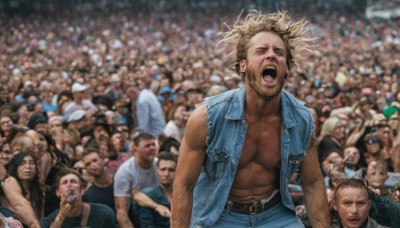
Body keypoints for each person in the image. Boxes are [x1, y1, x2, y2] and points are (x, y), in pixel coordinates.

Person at [172, 10, 329, 227]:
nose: (271, 55)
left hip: (275, 215)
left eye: (278, 52)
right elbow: (183, 186)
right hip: (219, 214)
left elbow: (312, 184)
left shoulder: (302, 120)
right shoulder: (207, 117)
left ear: (287, 67)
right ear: (243, 65)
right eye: (261, 50)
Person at [114, 131, 170, 228]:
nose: (152, 148)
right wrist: (155, 206)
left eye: (153, 144)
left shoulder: (160, 166)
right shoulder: (125, 172)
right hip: (136, 218)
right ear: (135, 149)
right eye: (147, 145)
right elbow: (121, 214)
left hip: (162, 217)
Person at [40, 168, 116, 228]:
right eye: (65, 182)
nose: (69, 185)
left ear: (82, 191)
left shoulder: (104, 214)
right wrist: (60, 217)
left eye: (73, 181)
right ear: (58, 192)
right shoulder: (48, 222)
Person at [0, 152, 43, 228]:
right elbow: (19, 205)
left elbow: (41, 219)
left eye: (32, 163)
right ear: (15, 168)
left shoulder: (38, 191)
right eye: (22, 163)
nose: (28, 166)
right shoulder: (9, 181)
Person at [139, 152, 177, 227]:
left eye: (171, 170)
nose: (166, 174)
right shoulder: (148, 196)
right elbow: (146, 225)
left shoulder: (185, 195)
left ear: (177, 171)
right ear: (157, 171)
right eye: (163, 169)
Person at [81, 149, 116, 214]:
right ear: (86, 169)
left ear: (102, 159)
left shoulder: (120, 180)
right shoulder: (88, 196)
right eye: (88, 164)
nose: (93, 165)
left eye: (95, 160)